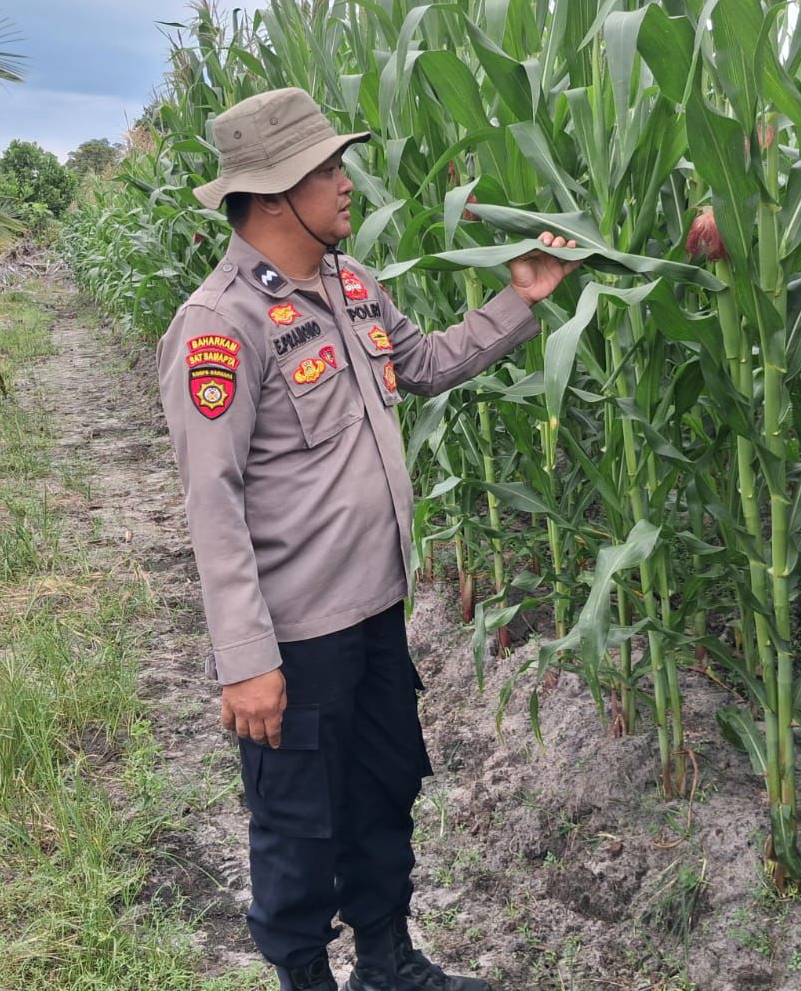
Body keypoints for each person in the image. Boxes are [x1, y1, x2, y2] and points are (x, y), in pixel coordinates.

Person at [156, 87, 580, 991]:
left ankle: (388, 965)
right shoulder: (220, 326)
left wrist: (521, 300)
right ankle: (304, 978)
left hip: (375, 612)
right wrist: (244, 659)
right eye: (328, 171)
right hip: (295, 637)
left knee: (385, 794)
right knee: (299, 830)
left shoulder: (349, 286)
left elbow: (423, 364)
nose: (348, 185)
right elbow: (212, 502)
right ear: (273, 196)